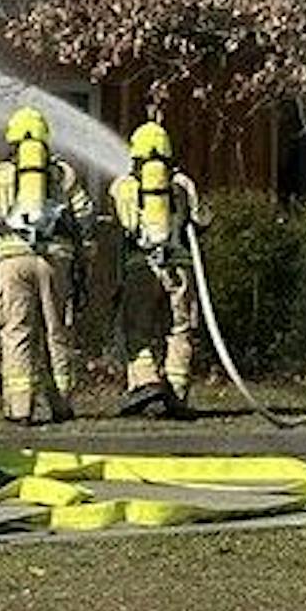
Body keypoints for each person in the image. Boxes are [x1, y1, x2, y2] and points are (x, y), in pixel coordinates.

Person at [0, 105, 95, 424]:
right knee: (57, 330)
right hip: (54, 261)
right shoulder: (64, 174)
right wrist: (85, 263)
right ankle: (61, 403)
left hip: (11, 261)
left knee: (16, 330)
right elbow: (86, 219)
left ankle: (20, 407)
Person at [110, 119, 211, 417]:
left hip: (141, 268)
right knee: (180, 329)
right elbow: (201, 220)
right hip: (178, 268)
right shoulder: (182, 184)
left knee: (137, 329)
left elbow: (125, 225)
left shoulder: (123, 186)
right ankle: (177, 394)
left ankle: (146, 382)